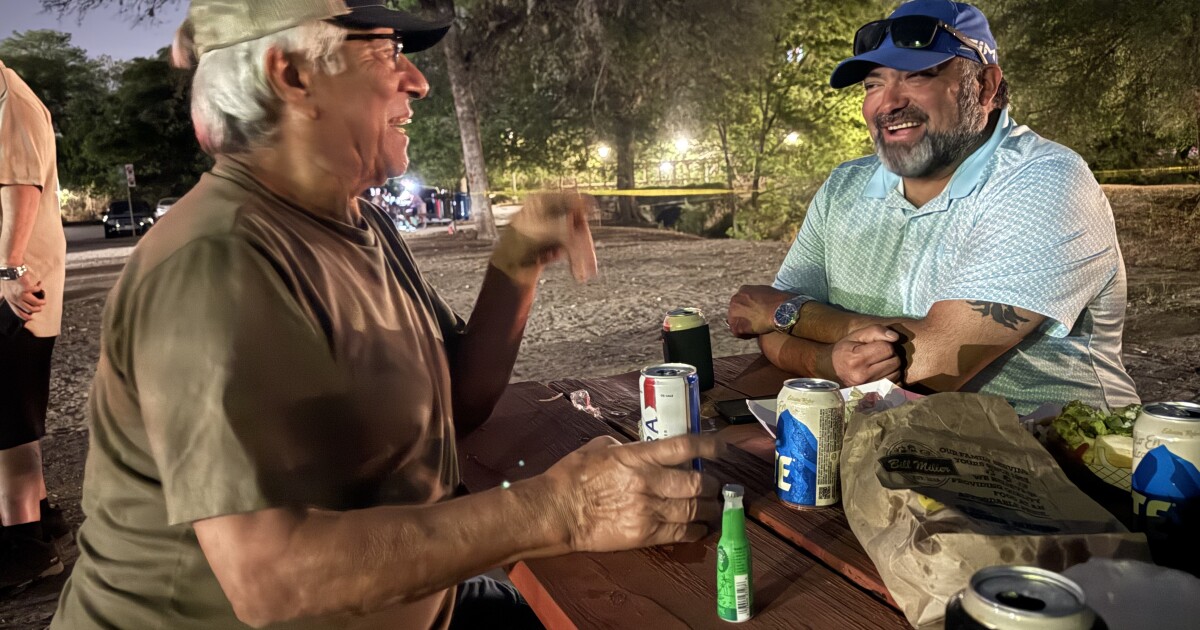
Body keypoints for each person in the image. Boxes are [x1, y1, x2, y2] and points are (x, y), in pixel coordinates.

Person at [51, 1, 721, 628]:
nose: (418, 81)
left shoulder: (354, 220)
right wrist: (561, 510)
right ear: (292, 74)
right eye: (385, 51)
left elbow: (457, 402)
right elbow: (271, 577)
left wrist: (514, 264)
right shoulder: (217, 260)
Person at [727, 0, 1138, 415]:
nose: (887, 103)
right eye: (873, 84)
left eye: (918, 75)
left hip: (1057, 453)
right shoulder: (843, 187)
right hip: (883, 435)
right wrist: (824, 358)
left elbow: (929, 365)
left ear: (986, 86)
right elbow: (767, 329)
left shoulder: (1045, 181)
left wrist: (791, 314)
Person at [0, 57, 70, 592]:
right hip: (18, 284)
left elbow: (21, 188)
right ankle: (39, 519)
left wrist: (10, 270)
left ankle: (26, 549)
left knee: (9, 425)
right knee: (14, 414)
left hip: (17, 289)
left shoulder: (11, 100)